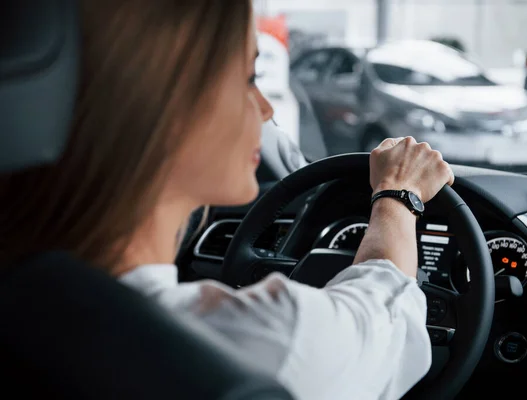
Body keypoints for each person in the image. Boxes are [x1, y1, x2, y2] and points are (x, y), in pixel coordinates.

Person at [0, 1, 454, 399]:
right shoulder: (267, 341)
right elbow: (387, 317)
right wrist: (398, 193)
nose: (266, 108)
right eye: (247, 77)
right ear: (156, 106)